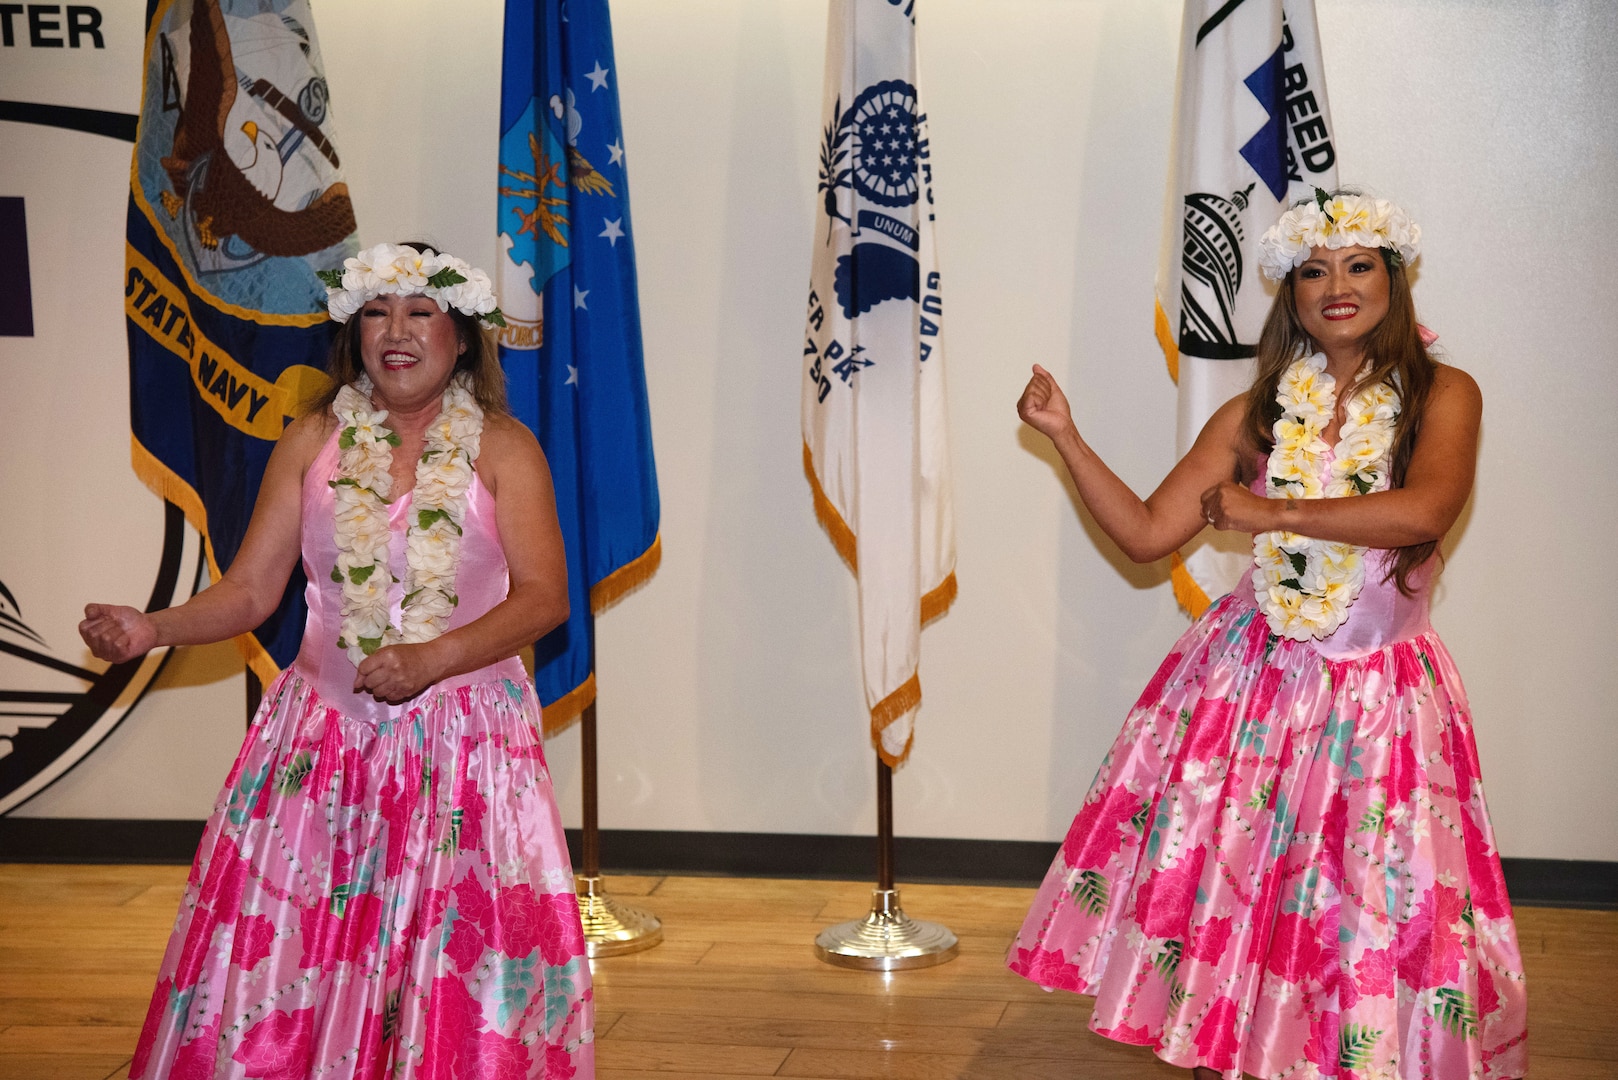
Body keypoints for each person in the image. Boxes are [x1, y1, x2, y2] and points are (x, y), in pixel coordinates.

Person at [1005, 192, 1527, 1080]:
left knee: (1364, 898)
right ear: (1289, 294)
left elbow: (1426, 509)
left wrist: (1272, 509)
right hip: (1251, 685)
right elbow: (1142, 532)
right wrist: (1066, 437)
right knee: (1244, 882)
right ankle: (1245, 1045)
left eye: (1359, 265)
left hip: (1376, 690)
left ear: (1393, 282)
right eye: (1313, 271)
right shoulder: (1257, 412)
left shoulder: (1445, 395)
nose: (1337, 286)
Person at [81, 243, 595, 1079]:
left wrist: (435, 657)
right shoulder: (310, 440)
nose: (395, 332)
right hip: (321, 745)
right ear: (353, 332)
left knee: (453, 958)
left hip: (464, 752)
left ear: (460, 336)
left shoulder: (504, 447)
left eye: (419, 312)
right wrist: (151, 627)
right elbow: (251, 593)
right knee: (286, 954)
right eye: (376, 313)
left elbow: (545, 600)